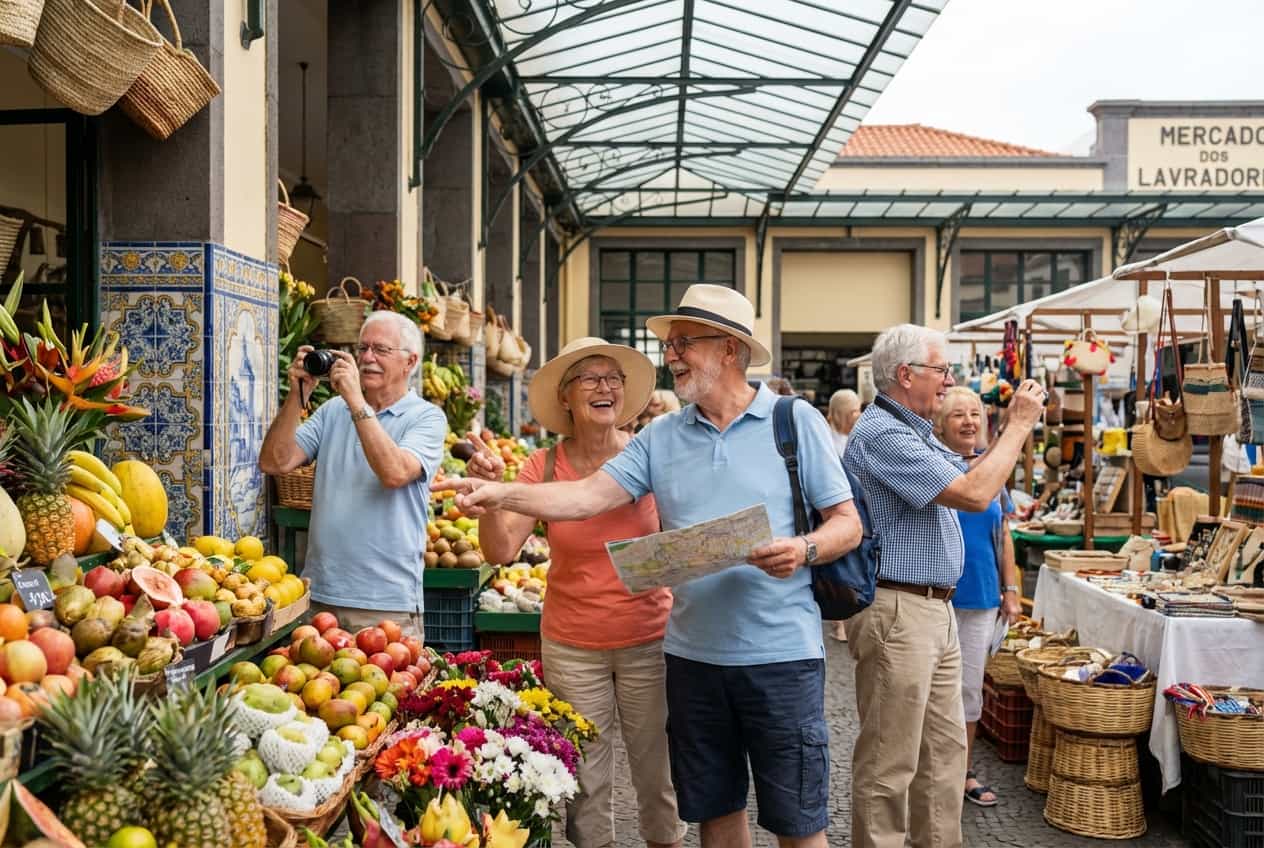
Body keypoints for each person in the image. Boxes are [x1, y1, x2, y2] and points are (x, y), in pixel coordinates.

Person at [439, 284, 861, 848]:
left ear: (730, 349)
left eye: (683, 342)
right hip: (691, 658)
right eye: (670, 344)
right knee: (715, 810)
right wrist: (499, 493)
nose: (671, 355)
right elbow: (584, 497)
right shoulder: (662, 437)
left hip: (781, 656)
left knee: (798, 819)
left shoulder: (795, 421)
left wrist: (804, 549)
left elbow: (847, 524)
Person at [463, 337, 687, 848]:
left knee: (659, 772)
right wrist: (494, 497)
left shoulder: (650, 455)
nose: (605, 387)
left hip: (648, 636)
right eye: (591, 378)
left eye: (614, 379)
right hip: (572, 642)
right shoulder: (541, 467)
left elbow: (682, 535)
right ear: (567, 396)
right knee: (584, 777)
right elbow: (499, 552)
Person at [842, 324, 1044, 848]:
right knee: (891, 761)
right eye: (941, 370)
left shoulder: (914, 430)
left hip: (931, 608)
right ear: (906, 375)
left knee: (943, 754)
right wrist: (1016, 425)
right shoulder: (883, 433)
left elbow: (974, 480)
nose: (948, 380)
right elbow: (976, 492)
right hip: (898, 609)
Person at [258, 311, 446, 637]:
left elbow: (394, 472)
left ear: (410, 362)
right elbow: (275, 462)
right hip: (318, 594)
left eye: (381, 350)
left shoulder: (427, 418)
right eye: (363, 349)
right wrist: (297, 395)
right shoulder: (333, 410)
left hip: (385, 602)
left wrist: (356, 400)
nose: (368, 358)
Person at [933, 386, 1022, 808]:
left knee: (970, 690)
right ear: (940, 424)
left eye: (974, 414)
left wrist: (1012, 590)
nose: (968, 421)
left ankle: (964, 772)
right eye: (957, 415)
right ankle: (932, 769)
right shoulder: (933, 467)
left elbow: (1002, 532)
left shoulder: (993, 470)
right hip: (936, 595)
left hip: (982, 595)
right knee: (932, 692)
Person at [825, 387, 863, 642]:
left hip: (857, 506)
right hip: (832, 510)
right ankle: (839, 620)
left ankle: (849, 617)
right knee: (837, 565)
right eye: (853, 411)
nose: (857, 415)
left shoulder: (859, 436)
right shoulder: (827, 437)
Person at [827, 389, 861, 458]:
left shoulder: (856, 438)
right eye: (854, 411)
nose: (859, 415)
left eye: (859, 410)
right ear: (839, 415)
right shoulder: (828, 443)